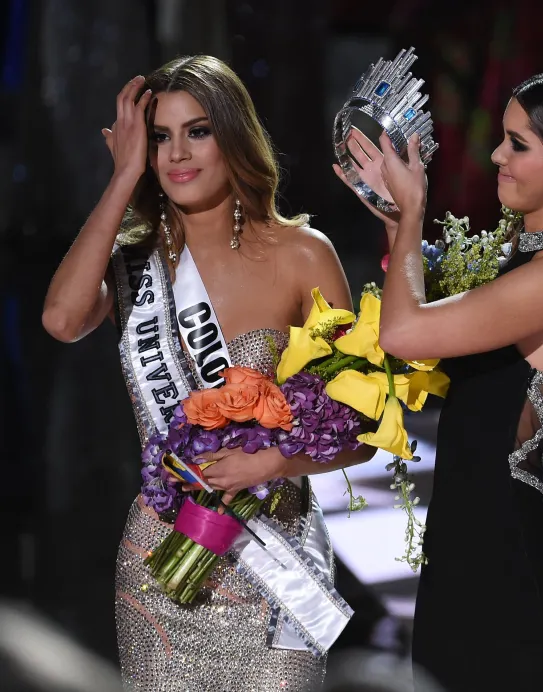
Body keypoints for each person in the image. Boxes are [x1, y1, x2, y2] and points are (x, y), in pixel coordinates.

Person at [42, 56, 373, 690]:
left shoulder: (304, 255)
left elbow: (360, 424)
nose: (177, 154)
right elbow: (61, 320)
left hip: (275, 554)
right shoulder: (131, 264)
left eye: (197, 131)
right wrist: (120, 182)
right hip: (159, 563)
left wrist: (272, 463)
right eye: (160, 137)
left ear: (233, 135)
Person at [334, 68, 543, 691]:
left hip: (511, 572)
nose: (496, 155)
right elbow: (415, 325)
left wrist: (416, 209)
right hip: (464, 556)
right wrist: (399, 217)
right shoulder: (518, 257)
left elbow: (403, 334)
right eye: (504, 139)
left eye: (518, 144)